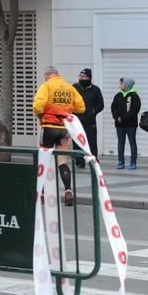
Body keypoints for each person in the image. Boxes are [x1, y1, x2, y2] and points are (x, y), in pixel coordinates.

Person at [33, 65, 85, 206]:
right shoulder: (69, 87)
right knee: (62, 161)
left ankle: (42, 193)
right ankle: (68, 191)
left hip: (49, 127)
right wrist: (66, 109)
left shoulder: (46, 86)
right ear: (57, 74)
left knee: (43, 160)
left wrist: (42, 114)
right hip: (64, 129)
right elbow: (81, 107)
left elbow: (38, 106)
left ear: (47, 75)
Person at [72, 68, 104, 168]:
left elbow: (101, 105)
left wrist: (93, 111)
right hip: (76, 121)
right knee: (77, 142)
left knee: (91, 142)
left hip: (90, 121)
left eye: (84, 77)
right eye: (80, 76)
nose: (81, 78)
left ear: (89, 78)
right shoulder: (74, 88)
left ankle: (94, 161)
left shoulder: (95, 90)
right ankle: (79, 162)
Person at [110, 77, 141, 170]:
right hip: (119, 125)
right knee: (120, 143)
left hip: (131, 125)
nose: (120, 85)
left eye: (121, 83)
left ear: (127, 85)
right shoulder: (118, 96)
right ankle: (120, 161)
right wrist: (117, 117)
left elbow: (134, 110)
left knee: (132, 143)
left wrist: (123, 118)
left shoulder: (134, 96)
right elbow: (113, 108)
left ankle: (133, 162)